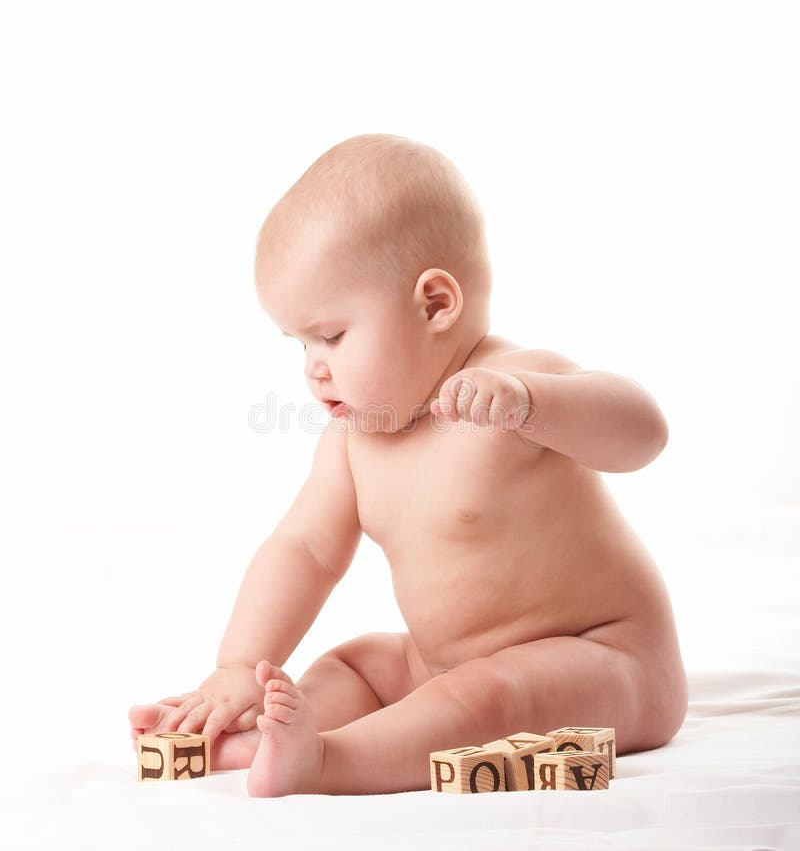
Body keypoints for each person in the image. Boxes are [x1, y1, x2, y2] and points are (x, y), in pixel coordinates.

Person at [129, 132, 688, 796]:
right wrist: (238, 667)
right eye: (301, 343)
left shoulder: (515, 389)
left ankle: (332, 762)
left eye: (332, 335)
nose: (313, 367)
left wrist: (533, 405)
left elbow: (644, 434)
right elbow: (304, 550)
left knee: (486, 695)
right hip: (442, 663)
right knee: (360, 664)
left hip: (603, 658)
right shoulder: (353, 444)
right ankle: (249, 739)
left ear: (435, 304)